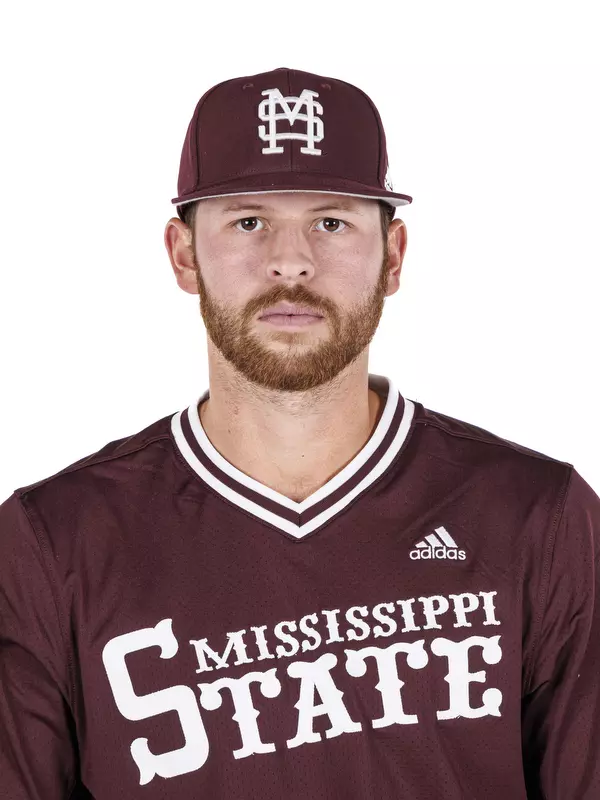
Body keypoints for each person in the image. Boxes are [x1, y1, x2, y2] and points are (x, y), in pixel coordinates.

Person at [0, 66, 598, 800]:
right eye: (248, 222)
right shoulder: (52, 541)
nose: (291, 260)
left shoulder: (537, 517)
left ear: (394, 257)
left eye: (332, 221)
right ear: (185, 255)